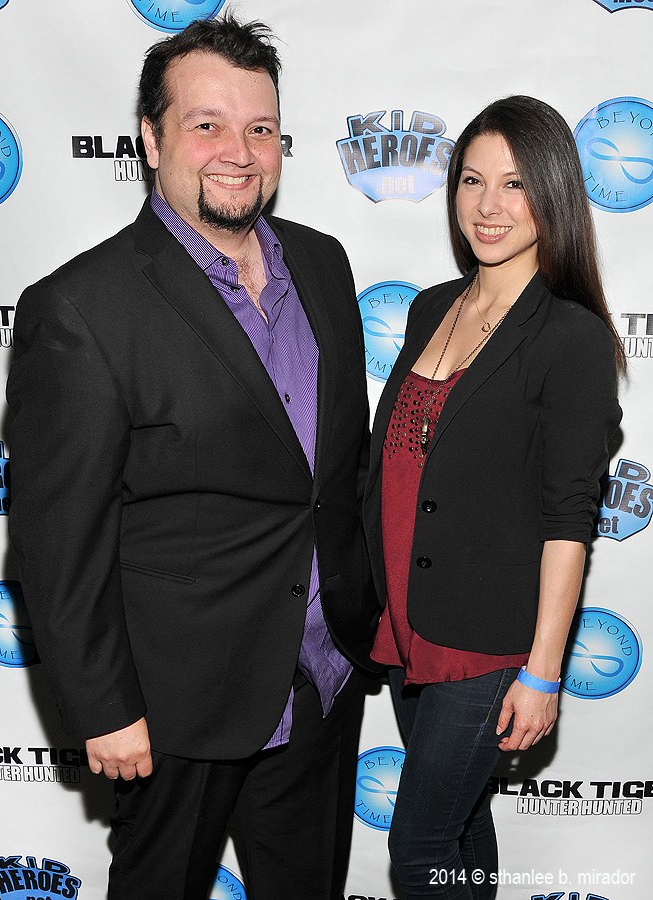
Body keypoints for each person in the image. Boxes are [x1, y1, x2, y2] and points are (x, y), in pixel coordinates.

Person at [7, 14, 380, 900]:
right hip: (174, 709)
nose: (238, 151)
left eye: (260, 128)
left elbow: (331, 477)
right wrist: (104, 710)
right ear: (150, 137)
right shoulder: (80, 309)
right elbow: (60, 544)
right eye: (206, 124)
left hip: (321, 681)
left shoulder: (324, 267)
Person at [362, 95, 624, 899]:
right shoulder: (432, 308)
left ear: (551, 195)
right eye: (472, 180)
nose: (487, 205)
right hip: (412, 619)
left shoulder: (570, 338)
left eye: (514, 185)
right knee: (462, 828)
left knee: (420, 842)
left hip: (490, 640)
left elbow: (567, 521)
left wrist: (543, 671)